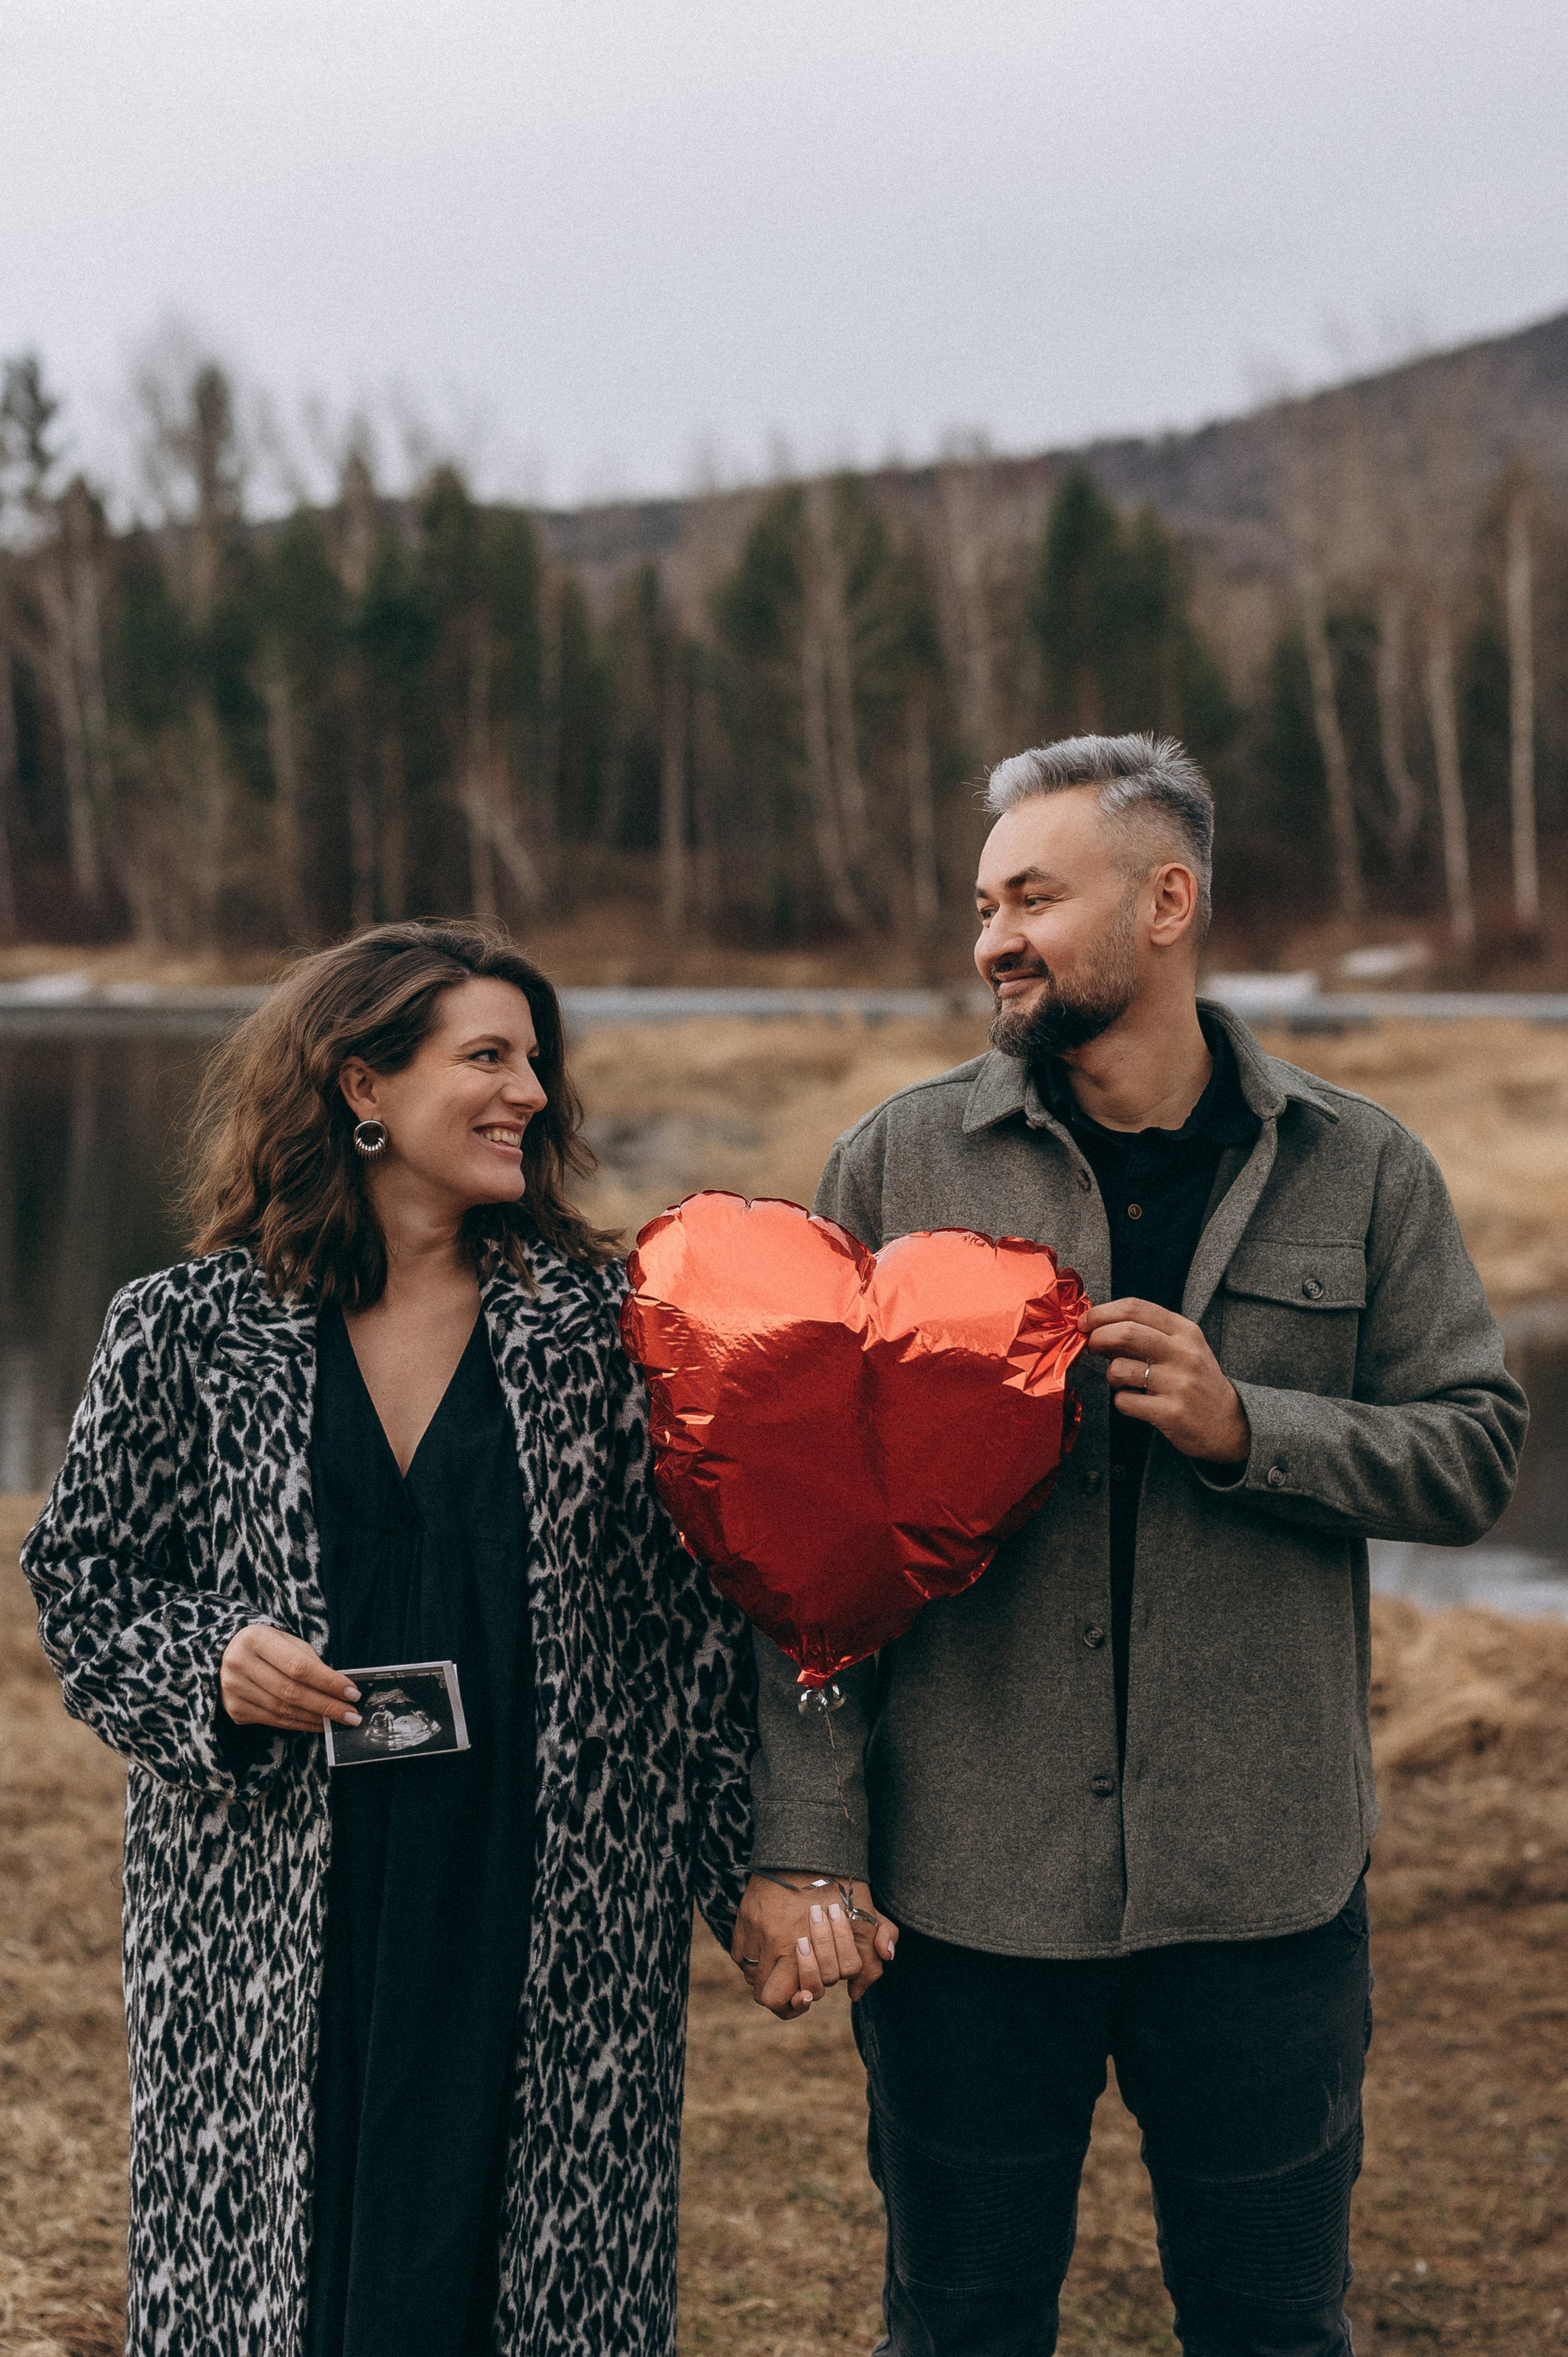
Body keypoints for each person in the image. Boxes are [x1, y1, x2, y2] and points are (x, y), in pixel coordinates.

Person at [733, 735, 1528, 2356]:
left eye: (1033, 895)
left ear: (1169, 901)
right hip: (967, 1896)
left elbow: (1476, 1454)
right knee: (957, 2324)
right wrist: (809, 1843)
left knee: (1273, 2327)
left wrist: (1256, 1430)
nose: (992, 940)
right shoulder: (897, 1164)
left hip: (1267, 1894)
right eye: (980, 903)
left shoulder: (1363, 1166)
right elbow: (804, 1547)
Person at [24, 920, 755, 2357]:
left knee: (527, 2287)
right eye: (485, 1056)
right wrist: (212, 1660)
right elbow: (84, 1579)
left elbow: (696, 1636)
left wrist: (754, 1878)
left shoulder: (612, 1330)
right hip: (268, 1904)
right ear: (361, 1085)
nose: (530, 1092)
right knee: (280, 2293)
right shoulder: (181, 1326)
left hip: (543, 1893)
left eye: (534, 1060)